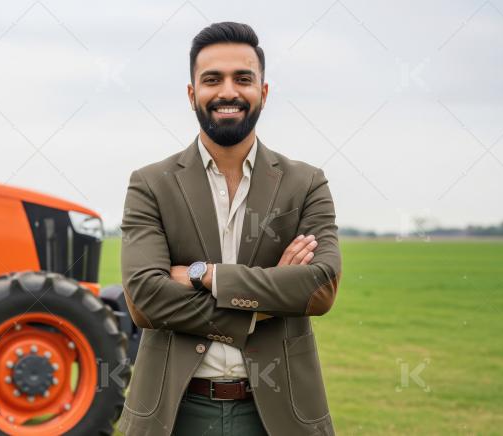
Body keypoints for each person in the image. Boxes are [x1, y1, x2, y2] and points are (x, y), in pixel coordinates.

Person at [118, 22, 342, 435]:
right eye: (211, 80)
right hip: (173, 414)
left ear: (264, 92)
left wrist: (206, 275)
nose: (227, 92)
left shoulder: (306, 183)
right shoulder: (150, 184)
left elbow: (319, 287)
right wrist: (265, 300)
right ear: (192, 95)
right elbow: (145, 299)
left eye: (243, 79)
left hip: (278, 417)